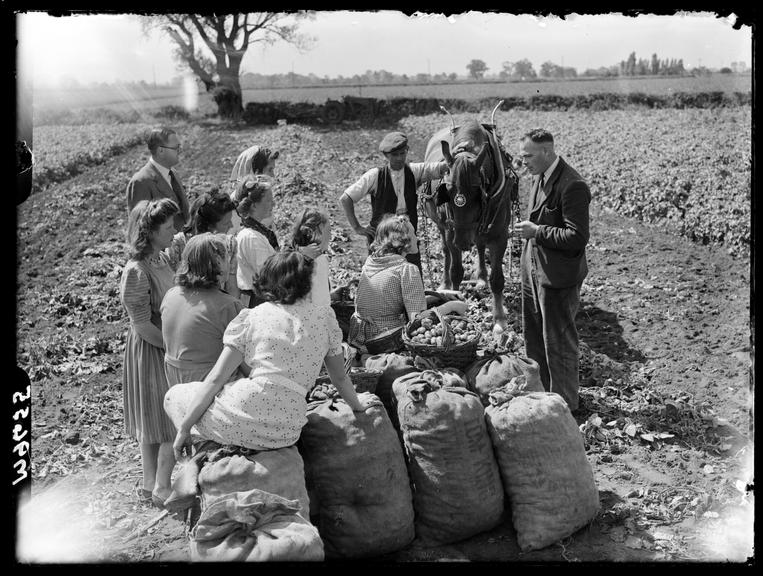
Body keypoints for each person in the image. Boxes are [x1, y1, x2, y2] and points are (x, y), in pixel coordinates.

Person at [165, 250, 369, 458]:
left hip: (246, 411)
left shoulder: (253, 316)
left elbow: (216, 379)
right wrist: (359, 408)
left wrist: (184, 428)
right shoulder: (325, 317)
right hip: (287, 430)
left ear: (268, 280)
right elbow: (340, 378)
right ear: (307, 282)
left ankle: (203, 457)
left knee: (175, 396)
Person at [513, 128, 591, 412]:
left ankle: (566, 406)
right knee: (534, 338)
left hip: (557, 276)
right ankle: (546, 396)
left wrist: (537, 231)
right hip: (534, 271)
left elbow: (577, 238)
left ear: (547, 152)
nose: (524, 163)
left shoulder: (573, 185)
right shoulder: (539, 176)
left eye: (528, 156)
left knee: (558, 344)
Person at [120, 198, 180, 508]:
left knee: (155, 419)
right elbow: (141, 324)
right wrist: (172, 348)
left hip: (162, 342)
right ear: (150, 231)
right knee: (165, 419)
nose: (173, 231)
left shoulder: (162, 258)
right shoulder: (137, 271)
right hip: (151, 346)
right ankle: (160, 486)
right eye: (168, 227)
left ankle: (148, 484)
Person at [347, 213, 466, 353]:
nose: (417, 238)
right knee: (441, 316)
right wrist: (452, 305)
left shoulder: (371, 262)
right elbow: (417, 319)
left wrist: (439, 294)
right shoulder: (407, 270)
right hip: (382, 340)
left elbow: (391, 298)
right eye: (414, 234)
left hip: (357, 337)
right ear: (404, 241)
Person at [339, 131, 449, 273]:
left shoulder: (414, 171)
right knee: (381, 277)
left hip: (407, 233)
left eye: (402, 153)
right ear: (386, 156)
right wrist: (357, 227)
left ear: (407, 151)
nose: (399, 158)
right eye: (394, 155)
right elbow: (346, 198)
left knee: (411, 275)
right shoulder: (375, 176)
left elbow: (440, 167)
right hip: (382, 236)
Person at [161, 233, 245, 387]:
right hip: (208, 387)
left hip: (175, 383)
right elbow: (245, 361)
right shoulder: (228, 306)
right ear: (218, 261)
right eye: (227, 258)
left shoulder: (170, 295)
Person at [234, 175, 320, 308]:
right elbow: (271, 274)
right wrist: (301, 257)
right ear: (255, 205)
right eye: (268, 200)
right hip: (258, 302)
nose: (273, 204)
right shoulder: (251, 238)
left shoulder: (261, 231)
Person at [166, 188, 239, 299]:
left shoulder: (229, 244)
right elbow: (172, 286)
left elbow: (231, 287)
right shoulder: (177, 245)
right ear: (209, 226)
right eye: (226, 223)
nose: (231, 226)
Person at [126, 126, 190, 232]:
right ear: (161, 151)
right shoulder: (141, 182)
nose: (180, 151)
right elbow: (139, 228)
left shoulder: (173, 173)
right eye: (176, 148)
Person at [228, 145, 280, 234]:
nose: (273, 175)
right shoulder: (234, 204)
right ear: (254, 172)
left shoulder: (263, 197)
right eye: (270, 170)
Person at [289, 207, 334, 307]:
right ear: (313, 234)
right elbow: (320, 301)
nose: (330, 236)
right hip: (314, 318)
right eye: (328, 231)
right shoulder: (319, 261)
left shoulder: (293, 257)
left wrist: (333, 295)